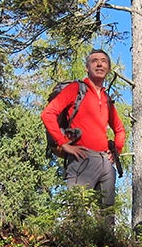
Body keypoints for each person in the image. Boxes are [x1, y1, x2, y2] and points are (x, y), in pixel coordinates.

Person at [41, 49, 126, 220]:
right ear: (87, 67)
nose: (100, 64)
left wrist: (115, 150)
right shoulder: (75, 89)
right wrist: (63, 143)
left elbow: (119, 129)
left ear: (108, 68)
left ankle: (106, 246)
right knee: (76, 215)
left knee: (107, 219)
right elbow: (48, 114)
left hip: (105, 163)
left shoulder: (106, 98)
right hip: (81, 159)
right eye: (94, 61)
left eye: (103, 61)